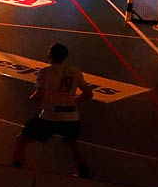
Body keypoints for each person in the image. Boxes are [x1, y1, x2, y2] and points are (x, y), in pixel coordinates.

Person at [10, 42, 95, 178]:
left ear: (50, 55)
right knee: (72, 143)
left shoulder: (45, 72)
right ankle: (84, 171)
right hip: (71, 116)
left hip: (50, 116)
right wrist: (73, 101)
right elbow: (89, 94)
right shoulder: (75, 72)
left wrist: (31, 97)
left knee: (21, 139)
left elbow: (40, 95)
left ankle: (16, 168)